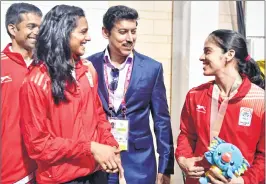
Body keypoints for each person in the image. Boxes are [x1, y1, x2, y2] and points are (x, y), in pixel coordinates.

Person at [19, 5, 123, 184]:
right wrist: (90, 148)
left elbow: (98, 116)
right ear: (63, 33)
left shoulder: (88, 71)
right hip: (61, 179)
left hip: (96, 174)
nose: (88, 38)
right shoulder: (36, 81)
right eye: (83, 32)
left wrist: (110, 146)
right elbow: (38, 145)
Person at [87, 5, 174, 184]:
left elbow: (162, 120)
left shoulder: (152, 68)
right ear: (106, 32)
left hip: (139, 163)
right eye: (123, 32)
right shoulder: (88, 65)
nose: (130, 38)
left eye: (133, 32)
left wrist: (166, 166)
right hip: (99, 162)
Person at [175, 29, 265, 184]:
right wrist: (183, 159)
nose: (201, 57)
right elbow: (187, 135)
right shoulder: (195, 95)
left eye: (207, 51)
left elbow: (263, 155)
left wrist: (244, 181)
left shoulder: (260, 100)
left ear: (229, 55)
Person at [1, 3, 42, 183]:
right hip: (10, 172)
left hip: (43, 169)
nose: (37, 32)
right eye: (31, 26)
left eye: (40, 27)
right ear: (12, 29)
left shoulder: (45, 66)